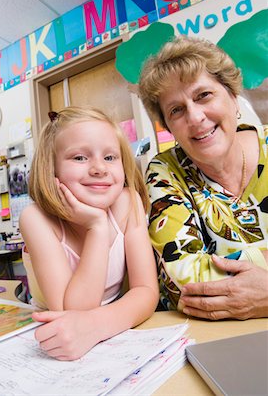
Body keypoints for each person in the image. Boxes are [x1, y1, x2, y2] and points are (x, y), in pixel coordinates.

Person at [138, 35, 268, 320]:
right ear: (170, 128)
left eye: (203, 96)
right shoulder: (165, 171)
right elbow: (180, 279)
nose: (195, 117)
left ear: (233, 96)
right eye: (177, 110)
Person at [19, 106, 159, 360]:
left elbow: (147, 290)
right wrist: (96, 226)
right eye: (80, 158)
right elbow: (72, 311)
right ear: (52, 169)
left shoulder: (128, 201)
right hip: (58, 339)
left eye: (110, 157)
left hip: (110, 332)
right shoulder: (35, 219)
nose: (99, 169)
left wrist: (98, 326)